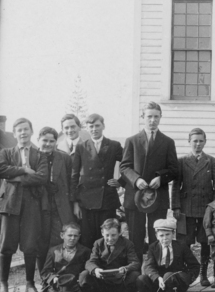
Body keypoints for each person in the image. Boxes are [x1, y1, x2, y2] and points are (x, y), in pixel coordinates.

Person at [0, 117, 49, 292]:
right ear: (14, 133)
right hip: (9, 204)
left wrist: (14, 177)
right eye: (19, 130)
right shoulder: (7, 152)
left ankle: (29, 284)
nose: (23, 133)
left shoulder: (39, 155)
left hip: (31, 205)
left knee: (30, 245)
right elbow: (1, 171)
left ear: (31, 131)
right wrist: (24, 170)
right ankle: (3, 286)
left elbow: (42, 177)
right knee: (6, 246)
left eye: (26, 129)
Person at [121, 101, 180, 256]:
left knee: (157, 235)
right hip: (135, 195)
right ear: (143, 117)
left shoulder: (168, 142)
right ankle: (136, 273)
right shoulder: (132, 141)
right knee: (135, 236)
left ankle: (154, 271)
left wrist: (161, 178)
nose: (152, 120)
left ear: (161, 117)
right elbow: (124, 167)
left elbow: (174, 169)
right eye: (149, 116)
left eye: (156, 117)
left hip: (157, 196)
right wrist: (136, 180)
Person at [171, 128, 215, 286]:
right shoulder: (181, 161)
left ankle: (203, 273)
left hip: (206, 209)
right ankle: (187, 272)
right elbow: (176, 185)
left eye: (201, 141)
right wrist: (176, 207)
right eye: (195, 141)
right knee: (184, 242)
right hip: (186, 209)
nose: (198, 144)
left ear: (205, 142)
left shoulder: (212, 161)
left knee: (205, 241)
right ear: (189, 142)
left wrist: (213, 208)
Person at [71, 113, 123, 248]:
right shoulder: (81, 146)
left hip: (107, 199)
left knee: (107, 236)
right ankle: (90, 267)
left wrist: (120, 181)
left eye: (97, 126)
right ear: (87, 128)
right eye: (91, 126)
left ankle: (107, 267)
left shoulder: (114, 145)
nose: (94, 129)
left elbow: (128, 164)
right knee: (88, 237)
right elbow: (74, 175)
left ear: (103, 126)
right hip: (86, 200)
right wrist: (75, 202)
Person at [80, 218, 141, 292]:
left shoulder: (127, 244)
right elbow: (90, 262)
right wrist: (96, 270)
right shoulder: (98, 243)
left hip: (121, 282)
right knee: (84, 276)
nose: (110, 238)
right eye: (107, 235)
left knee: (135, 275)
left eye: (114, 235)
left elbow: (135, 263)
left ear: (119, 233)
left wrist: (125, 268)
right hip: (103, 282)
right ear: (102, 233)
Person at [137, 218, 199, 292]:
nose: (165, 238)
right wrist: (157, 278)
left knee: (168, 276)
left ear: (173, 234)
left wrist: (187, 279)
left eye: (167, 235)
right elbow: (148, 266)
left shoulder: (181, 246)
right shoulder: (153, 247)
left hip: (175, 283)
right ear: (156, 236)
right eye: (161, 235)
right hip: (159, 282)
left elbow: (195, 266)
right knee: (141, 279)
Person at [33, 223, 91, 292]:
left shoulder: (85, 251)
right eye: (69, 235)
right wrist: (53, 278)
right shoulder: (54, 250)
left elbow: (87, 269)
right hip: (58, 285)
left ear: (79, 237)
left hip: (75, 286)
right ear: (62, 235)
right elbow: (45, 271)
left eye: (75, 236)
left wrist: (80, 279)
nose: (72, 238)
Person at [36, 127, 74, 265]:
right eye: (44, 140)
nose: (48, 144)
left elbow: (71, 182)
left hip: (59, 205)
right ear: (38, 140)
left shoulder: (64, 158)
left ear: (56, 142)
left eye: (51, 141)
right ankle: (43, 276)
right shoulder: (33, 157)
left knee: (58, 240)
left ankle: (58, 275)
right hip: (39, 205)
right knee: (41, 241)